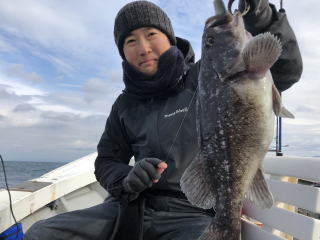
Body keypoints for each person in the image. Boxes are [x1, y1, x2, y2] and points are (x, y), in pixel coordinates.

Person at [24, 0, 302, 239]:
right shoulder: (124, 105)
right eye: (131, 41)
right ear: (122, 52)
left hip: (193, 211)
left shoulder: (206, 76)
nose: (143, 47)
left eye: (151, 34)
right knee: (40, 233)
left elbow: (286, 69)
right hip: (130, 208)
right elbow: (106, 161)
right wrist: (128, 178)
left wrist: (261, 13)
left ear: (170, 38)